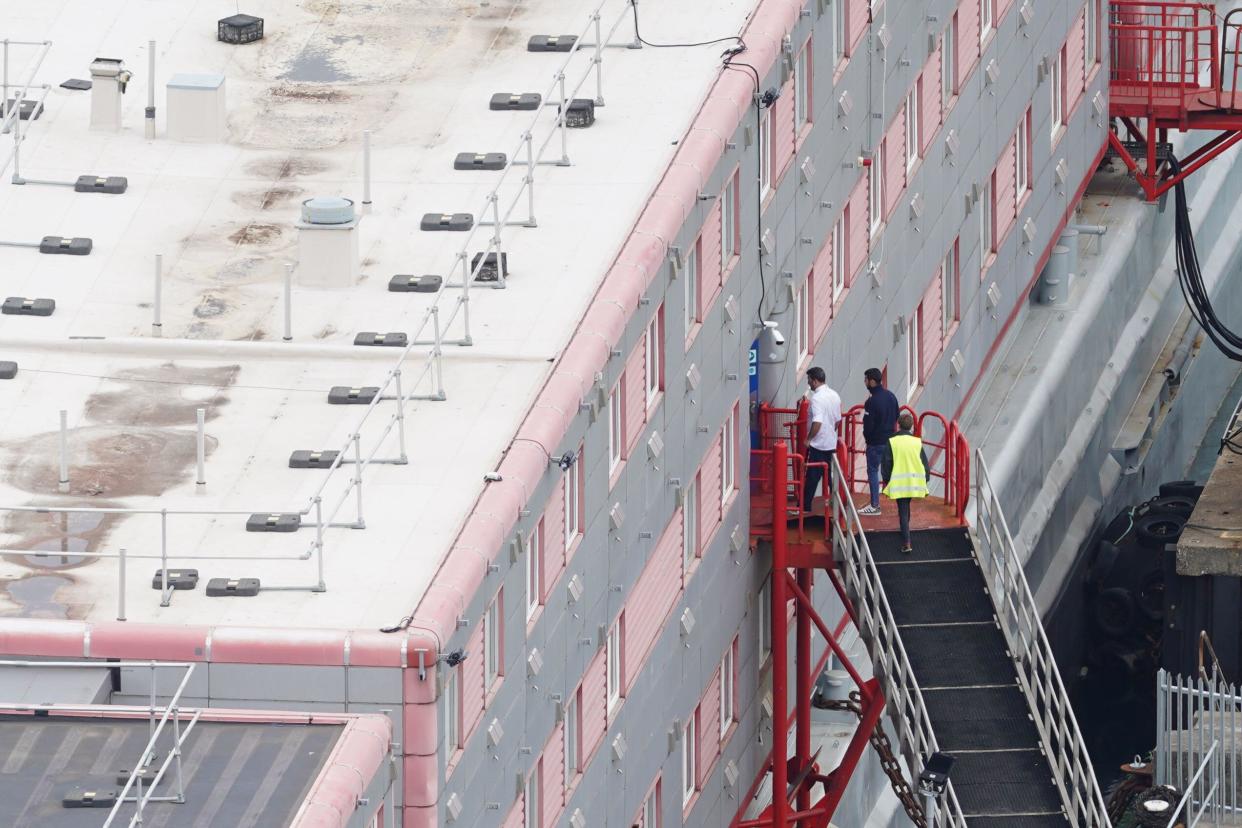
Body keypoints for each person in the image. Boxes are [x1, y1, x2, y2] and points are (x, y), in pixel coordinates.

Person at [882, 412, 930, 554]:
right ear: (911, 427)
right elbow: (924, 463)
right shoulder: (916, 442)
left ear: (898, 425)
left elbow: (886, 463)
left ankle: (906, 542)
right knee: (906, 508)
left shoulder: (892, 441)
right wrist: (925, 478)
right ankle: (905, 530)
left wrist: (886, 480)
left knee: (902, 511)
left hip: (899, 483)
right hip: (914, 482)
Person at [858, 367, 898, 516]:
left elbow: (868, 425)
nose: (865, 382)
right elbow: (897, 416)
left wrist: (868, 440)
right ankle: (898, 502)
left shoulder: (872, 402)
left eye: (866, 380)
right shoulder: (891, 396)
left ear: (872, 381)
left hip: (875, 443)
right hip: (890, 442)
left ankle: (875, 505)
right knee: (888, 471)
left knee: (873, 471)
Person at [802, 367, 841, 513]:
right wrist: (830, 433)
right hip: (831, 443)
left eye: (809, 380)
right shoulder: (834, 395)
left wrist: (808, 439)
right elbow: (837, 420)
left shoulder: (817, 399)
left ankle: (804, 507)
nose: (809, 383)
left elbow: (817, 422)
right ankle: (836, 503)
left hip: (818, 445)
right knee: (830, 477)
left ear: (815, 380)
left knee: (812, 477)